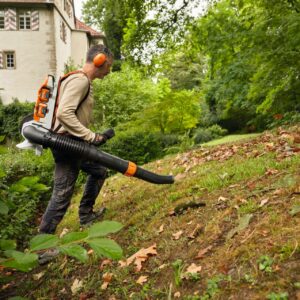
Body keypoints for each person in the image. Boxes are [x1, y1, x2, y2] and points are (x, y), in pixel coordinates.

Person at [39, 44, 114, 235]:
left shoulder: (79, 80)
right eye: (109, 65)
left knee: (99, 170)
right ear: (100, 61)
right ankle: (41, 247)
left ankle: (86, 215)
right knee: (62, 194)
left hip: (75, 143)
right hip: (67, 144)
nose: (109, 70)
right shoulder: (80, 80)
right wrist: (91, 136)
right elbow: (64, 114)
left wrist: (89, 137)